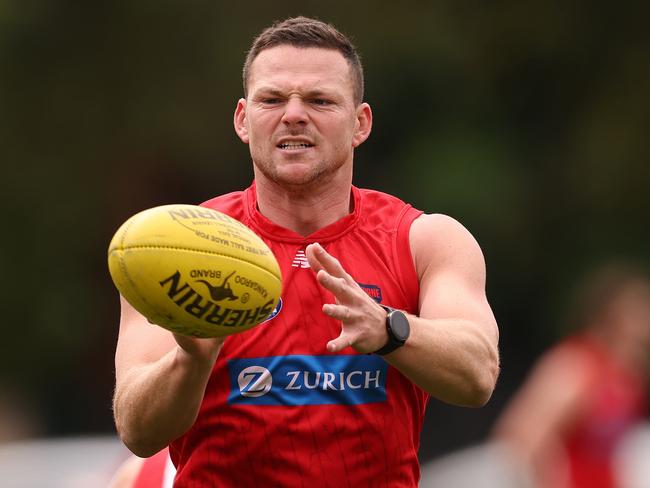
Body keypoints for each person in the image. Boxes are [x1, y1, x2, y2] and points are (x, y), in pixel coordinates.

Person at [112, 16, 500, 486]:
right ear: (242, 118)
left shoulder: (424, 241)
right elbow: (137, 431)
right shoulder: (175, 249)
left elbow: (478, 374)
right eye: (272, 99)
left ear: (360, 123)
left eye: (319, 100)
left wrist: (388, 330)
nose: (293, 114)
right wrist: (190, 362)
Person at [492, 263, 650, 488]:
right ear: (611, 315)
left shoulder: (630, 374)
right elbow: (521, 432)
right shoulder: (575, 364)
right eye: (637, 312)